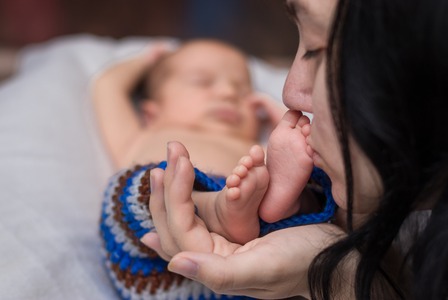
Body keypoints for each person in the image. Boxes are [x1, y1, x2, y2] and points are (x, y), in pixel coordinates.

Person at [141, 0, 448, 299]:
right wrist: (112, 83)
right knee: (144, 189)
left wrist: (330, 275)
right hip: (190, 188)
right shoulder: (148, 134)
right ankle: (241, 207)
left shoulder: (259, 145)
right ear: (149, 112)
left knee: (301, 190)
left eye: (316, 49)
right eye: (201, 82)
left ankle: (272, 204)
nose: (290, 92)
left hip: (244, 190)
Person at [95, 38, 322, 299]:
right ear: (151, 113)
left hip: (258, 261)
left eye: (242, 91)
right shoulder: (142, 136)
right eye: (202, 82)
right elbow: (106, 87)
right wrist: (148, 58)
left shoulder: (254, 147)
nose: (227, 93)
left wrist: (284, 124)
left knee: (313, 190)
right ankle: (217, 210)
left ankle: (283, 204)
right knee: (139, 187)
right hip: (162, 267)